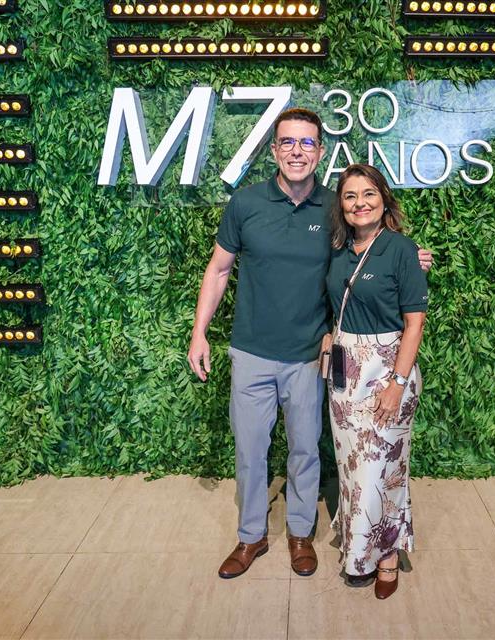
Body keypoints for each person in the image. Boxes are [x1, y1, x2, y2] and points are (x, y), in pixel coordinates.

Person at [187, 108, 432, 580]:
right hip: (251, 352)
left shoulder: (333, 208)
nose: (296, 151)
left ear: (320, 151)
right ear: (274, 150)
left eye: (306, 143)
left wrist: (408, 256)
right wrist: (200, 332)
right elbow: (218, 270)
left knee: (304, 449)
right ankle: (251, 535)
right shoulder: (245, 203)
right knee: (250, 450)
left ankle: (300, 533)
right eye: (287, 142)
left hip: (308, 358)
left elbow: (371, 243)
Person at [322, 164, 427, 600]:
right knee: (352, 469)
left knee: (382, 471)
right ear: (341, 206)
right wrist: (329, 340)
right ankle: (358, 550)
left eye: (368, 194)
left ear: (383, 200)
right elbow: (336, 306)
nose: (359, 203)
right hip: (345, 376)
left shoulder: (401, 249)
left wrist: (397, 384)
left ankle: (385, 557)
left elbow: (414, 322)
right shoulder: (339, 251)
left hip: (386, 371)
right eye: (350, 196)